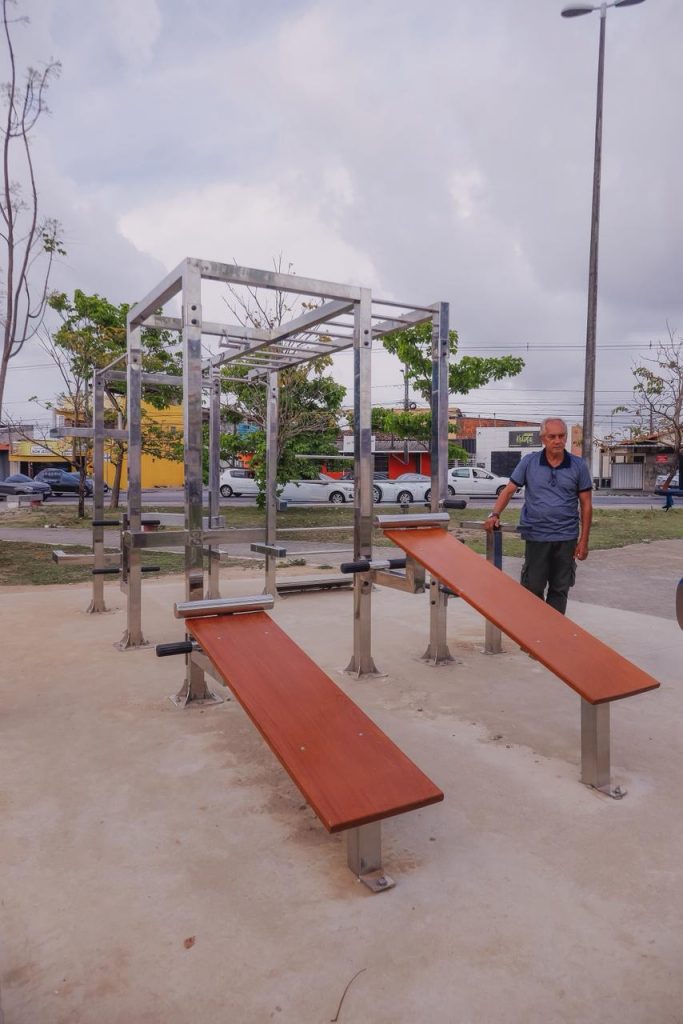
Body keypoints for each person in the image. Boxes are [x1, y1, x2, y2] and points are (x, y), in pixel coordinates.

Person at [484, 417, 593, 615]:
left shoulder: (578, 466)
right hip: (536, 535)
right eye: (552, 436)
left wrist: (583, 541)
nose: (558, 441)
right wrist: (494, 514)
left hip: (566, 537)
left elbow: (586, 505)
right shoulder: (529, 462)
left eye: (561, 436)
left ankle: (552, 632)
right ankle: (535, 630)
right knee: (533, 587)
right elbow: (509, 490)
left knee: (560, 588)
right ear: (543, 438)